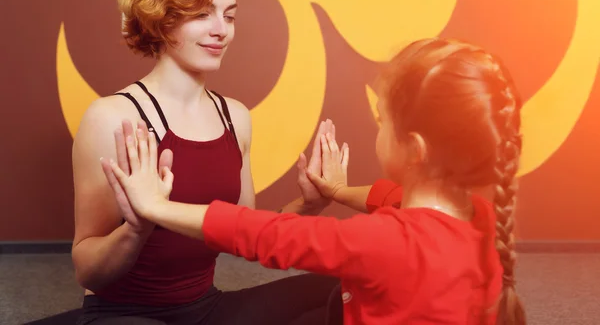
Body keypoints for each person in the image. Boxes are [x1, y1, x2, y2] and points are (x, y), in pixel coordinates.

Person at [103, 37, 528, 325]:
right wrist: (338, 192)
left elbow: (266, 234)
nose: (378, 130)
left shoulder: (384, 243)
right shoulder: (481, 219)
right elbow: (393, 199)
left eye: (383, 122)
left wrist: (156, 206)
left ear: (415, 148)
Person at [71, 0, 341, 325]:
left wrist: (310, 205)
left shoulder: (235, 117)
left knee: (338, 287)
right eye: (201, 14)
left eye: (229, 16)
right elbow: (87, 270)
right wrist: (137, 228)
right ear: (161, 19)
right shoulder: (112, 118)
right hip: (124, 314)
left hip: (205, 309)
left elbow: (244, 233)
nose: (221, 30)